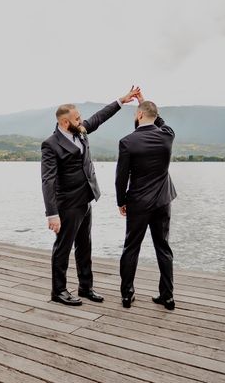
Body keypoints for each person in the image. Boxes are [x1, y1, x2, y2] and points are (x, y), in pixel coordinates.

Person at [41, 86, 141, 306]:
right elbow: (47, 180)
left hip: (86, 199)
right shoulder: (51, 145)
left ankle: (85, 287)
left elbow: (99, 118)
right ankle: (58, 291)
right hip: (67, 203)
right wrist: (52, 214)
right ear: (65, 123)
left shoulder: (81, 131)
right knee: (63, 247)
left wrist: (121, 101)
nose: (82, 120)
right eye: (78, 118)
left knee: (85, 245)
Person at [116, 97, 177, 310]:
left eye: (136, 113)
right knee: (163, 248)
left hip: (138, 202)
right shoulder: (167, 136)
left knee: (131, 247)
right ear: (154, 116)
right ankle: (167, 297)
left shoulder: (127, 142)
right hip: (162, 201)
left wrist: (120, 201)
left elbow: (121, 177)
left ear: (139, 115)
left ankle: (127, 295)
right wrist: (146, 103)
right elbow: (162, 122)